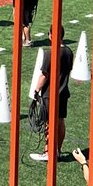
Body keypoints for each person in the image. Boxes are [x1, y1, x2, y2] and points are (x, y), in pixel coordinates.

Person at [31, 24, 73, 161]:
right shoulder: (68, 52)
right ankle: (58, 151)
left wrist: (36, 90)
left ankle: (48, 151)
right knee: (60, 121)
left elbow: (44, 75)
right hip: (64, 92)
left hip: (50, 94)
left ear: (51, 35)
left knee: (49, 123)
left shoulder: (50, 53)